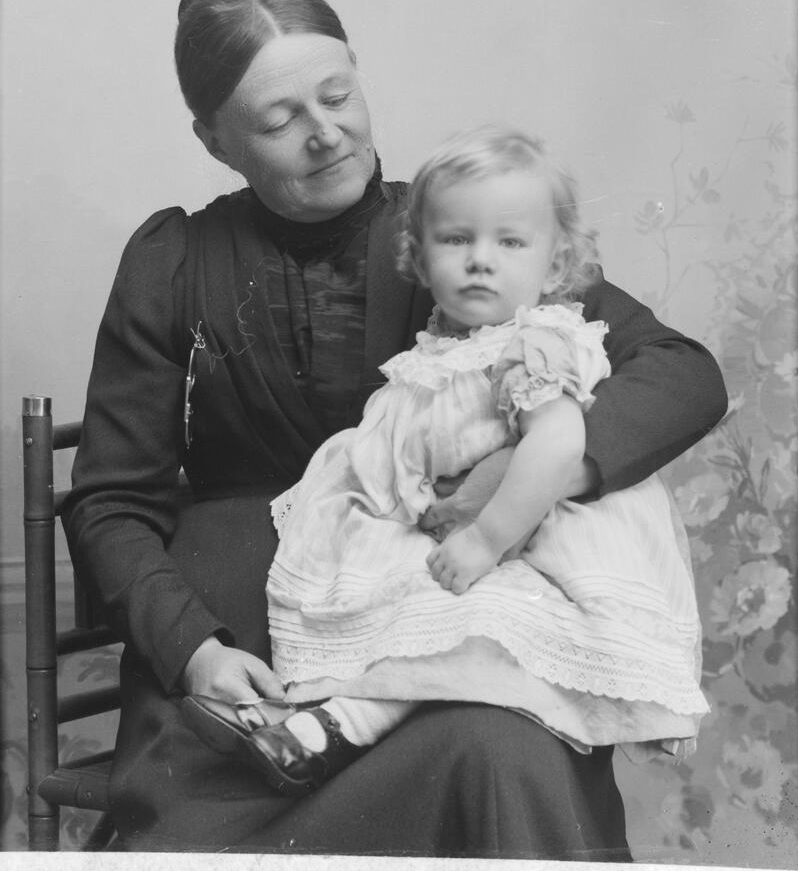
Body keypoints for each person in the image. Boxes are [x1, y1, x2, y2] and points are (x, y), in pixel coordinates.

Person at [62, 0, 727, 857]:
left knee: (500, 754)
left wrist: (527, 472)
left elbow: (683, 373)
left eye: (338, 95)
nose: (325, 133)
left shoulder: (462, 231)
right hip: (244, 664)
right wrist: (193, 651)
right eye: (279, 120)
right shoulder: (174, 260)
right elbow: (110, 502)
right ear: (216, 140)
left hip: (433, 641)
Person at [182, 125, 709, 796]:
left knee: (460, 631)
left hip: (524, 539)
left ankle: (336, 726)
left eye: (510, 243)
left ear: (553, 269)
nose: (480, 260)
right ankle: (311, 717)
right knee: (404, 618)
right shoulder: (445, 350)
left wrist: (486, 537)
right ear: (420, 260)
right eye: (457, 240)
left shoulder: (533, 344)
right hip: (457, 532)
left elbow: (557, 441)